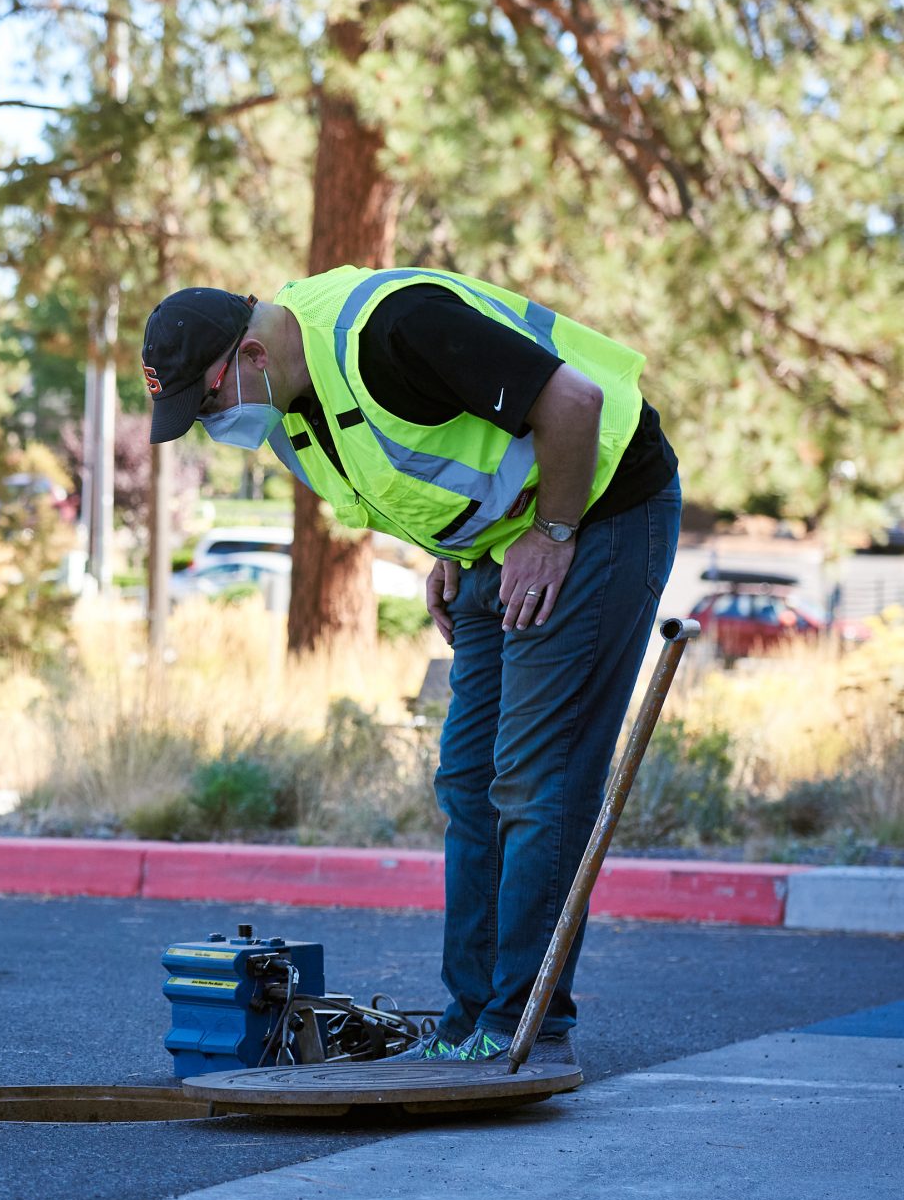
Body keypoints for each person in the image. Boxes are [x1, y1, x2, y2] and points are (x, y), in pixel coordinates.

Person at [142, 267, 682, 1066]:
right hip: (503, 540)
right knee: (468, 781)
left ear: (251, 352)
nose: (213, 424)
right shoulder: (291, 404)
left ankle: (529, 1024)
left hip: (598, 505)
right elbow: (413, 467)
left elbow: (574, 403)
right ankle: (468, 1018)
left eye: (210, 402)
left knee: (537, 778)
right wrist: (448, 548)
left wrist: (556, 534)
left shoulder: (393, 328)